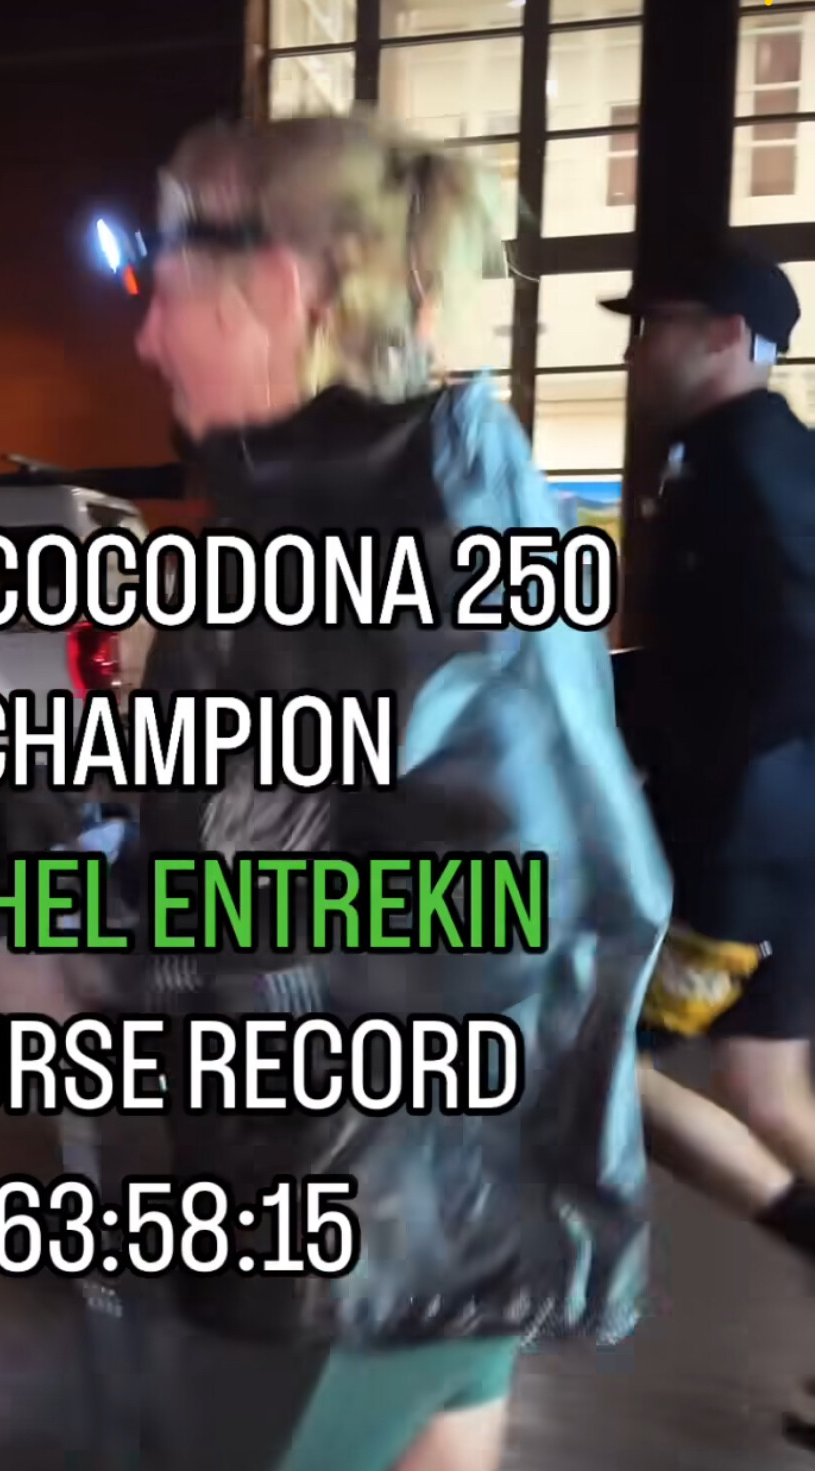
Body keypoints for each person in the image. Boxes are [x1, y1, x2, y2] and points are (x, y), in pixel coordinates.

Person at [121, 112, 670, 1471]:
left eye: (161, 281)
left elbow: (258, 931)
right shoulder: (466, 484)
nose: (144, 337)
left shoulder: (320, 551)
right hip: (465, 1190)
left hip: (340, 1224)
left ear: (277, 287)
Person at [602, 247, 815, 1450]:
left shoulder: (746, 471)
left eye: (657, 324)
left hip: (740, 854)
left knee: (589, 1064)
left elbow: (780, 654)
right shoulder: (756, 457)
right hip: (783, 839)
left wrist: (686, 761)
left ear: (727, 334)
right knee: (765, 1091)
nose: (639, 348)